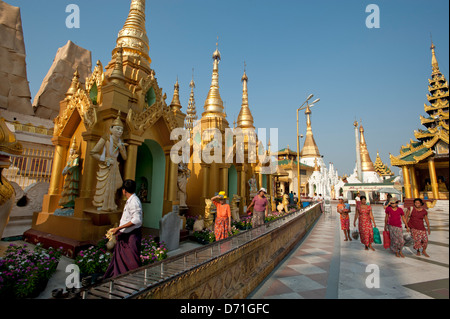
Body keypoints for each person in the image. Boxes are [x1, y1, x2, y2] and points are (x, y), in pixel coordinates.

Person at [104, 180, 143, 279]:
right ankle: (120, 278)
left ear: (124, 190)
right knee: (120, 259)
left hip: (131, 236)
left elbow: (137, 220)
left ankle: (133, 280)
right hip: (125, 235)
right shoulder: (130, 200)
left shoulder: (134, 202)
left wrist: (119, 228)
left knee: (131, 262)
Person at [90, 114, 128, 212]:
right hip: (106, 165)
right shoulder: (106, 138)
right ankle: (101, 204)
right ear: (111, 128)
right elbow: (93, 152)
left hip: (115, 166)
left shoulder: (120, 141)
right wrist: (105, 160)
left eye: (121, 130)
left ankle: (111, 204)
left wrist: (121, 148)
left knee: (114, 186)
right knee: (105, 186)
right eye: (117, 129)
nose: (120, 131)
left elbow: (125, 157)